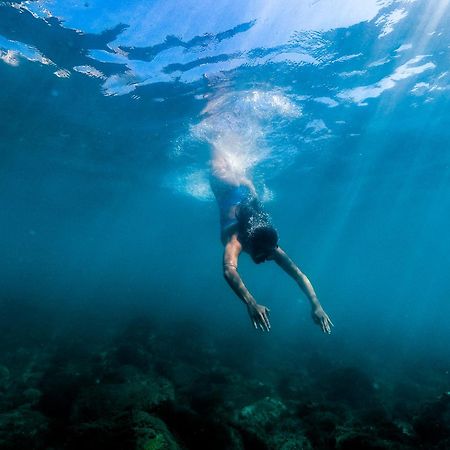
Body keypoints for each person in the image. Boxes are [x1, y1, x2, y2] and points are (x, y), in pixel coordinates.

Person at [210, 147, 333, 334]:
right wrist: (250, 303)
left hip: (243, 190)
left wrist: (316, 305)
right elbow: (228, 270)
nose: (267, 259)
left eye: (268, 254)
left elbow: (298, 274)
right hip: (223, 185)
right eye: (264, 255)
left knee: (241, 173)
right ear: (250, 243)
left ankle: (243, 175)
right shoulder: (236, 239)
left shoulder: (268, 244)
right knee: (218, 155)